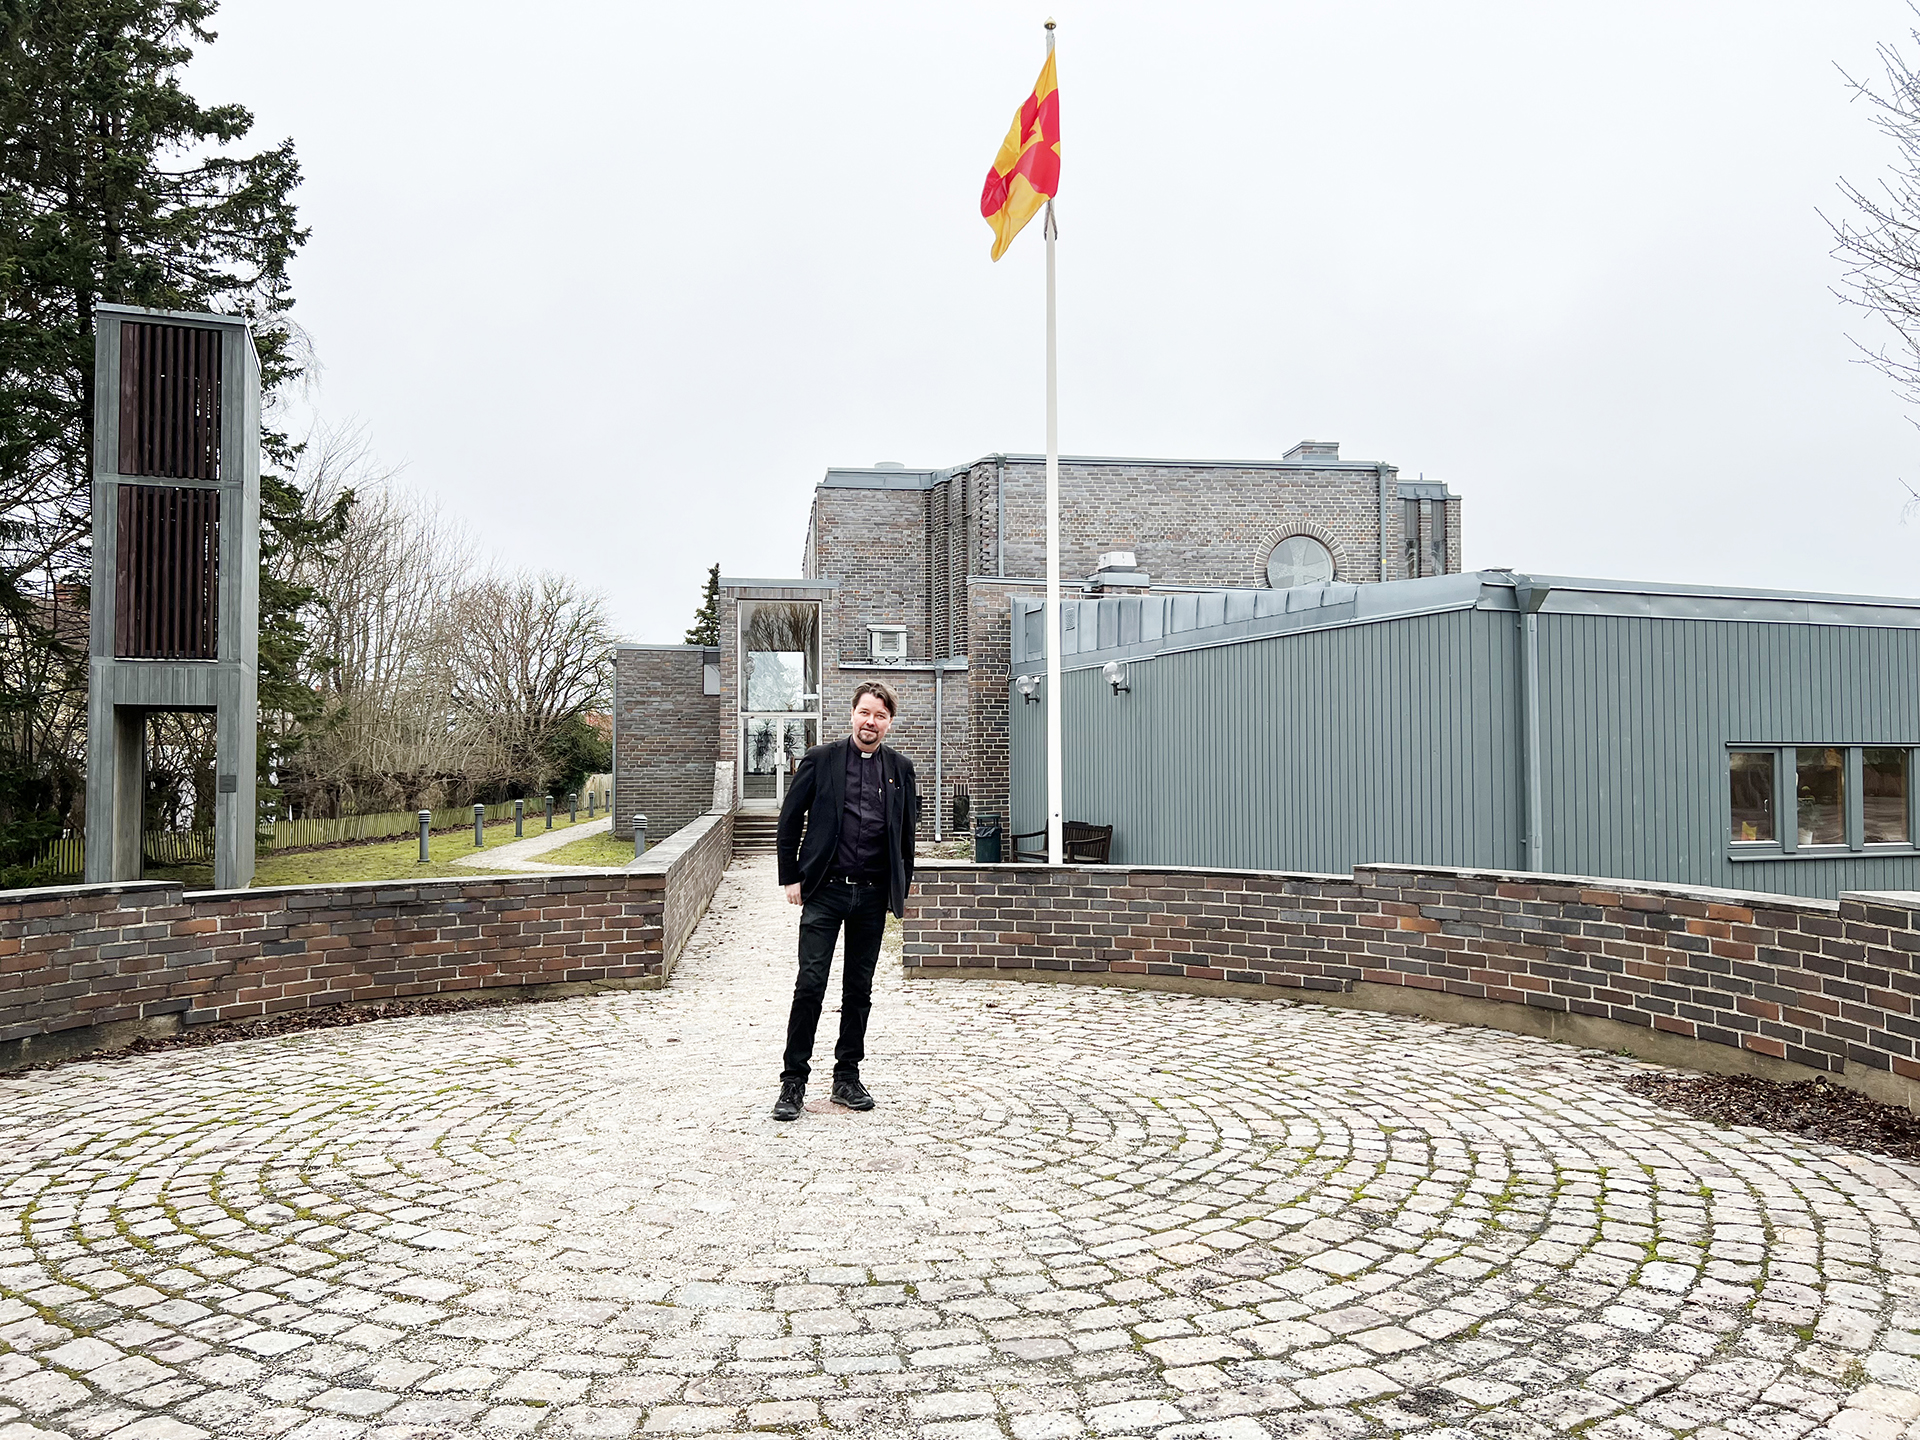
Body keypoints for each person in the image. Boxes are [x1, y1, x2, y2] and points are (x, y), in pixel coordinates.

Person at [772, 681, 919, 1121]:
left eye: (880, 716)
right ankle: (793, 1081)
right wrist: (790, 877)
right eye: (864, 713)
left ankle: (846, 1076)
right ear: (851, 713)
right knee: (811, 984)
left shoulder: (901, 768)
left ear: (889, 722)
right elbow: (789, 818)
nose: (870, 722)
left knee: (859, 989)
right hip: (825, 889)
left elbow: (906, 836)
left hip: (872, 896)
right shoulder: (821, 760)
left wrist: (901, 888)